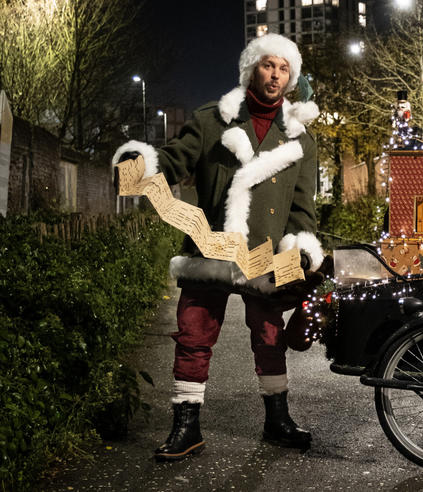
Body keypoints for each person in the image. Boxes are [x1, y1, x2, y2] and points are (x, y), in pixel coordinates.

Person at [112, 34, 323, 461]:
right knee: (193, 334)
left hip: (266, 253)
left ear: (291, 77)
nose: (275, 75)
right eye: (268, 65)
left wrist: (300, 245)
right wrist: (139, 166)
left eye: (284, 68)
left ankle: (277, 420)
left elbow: (302, 207)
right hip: (210, 247)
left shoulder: (301, 138)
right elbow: (174, 160)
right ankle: (186, 427)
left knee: (269, 337)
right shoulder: (213, 120)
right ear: (252, 69)